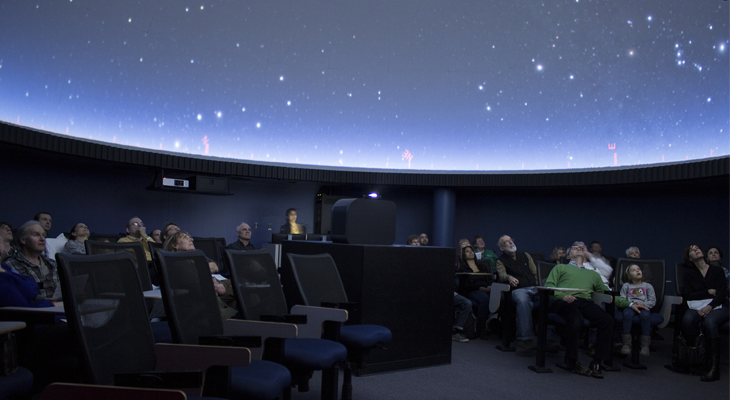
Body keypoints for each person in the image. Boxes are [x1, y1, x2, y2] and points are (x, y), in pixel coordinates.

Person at [545, 243, 630, 378]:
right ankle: (572, 360)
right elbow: (549, 286)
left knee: (607, 320)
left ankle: (597, 362)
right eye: (574, 248)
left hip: (584, 301)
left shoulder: (593, 274)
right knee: (576, 319)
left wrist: (630, 304)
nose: (578, 249)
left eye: (581, 248)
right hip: (564, 301)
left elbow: (607, 294)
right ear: (568, 256)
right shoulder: (560, 267)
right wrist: (563, 296)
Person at [680, 244, 728, 382]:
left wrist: (710, 306)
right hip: (698, 305)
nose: (696, 250)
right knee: (688, 319)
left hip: (719, 305)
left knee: (710, 322)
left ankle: (714, 367)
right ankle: (696, 359)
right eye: (692, 250)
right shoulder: (690, 274)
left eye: (697, 248)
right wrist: (707, 292)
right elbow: (688, 295)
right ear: (689, 258)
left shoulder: (717, 270)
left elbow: (721, 294)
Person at [163, 231, 237, 320]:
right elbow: (203, 289)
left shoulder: (194, 262)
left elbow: (215, 281)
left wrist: (218, 286)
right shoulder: (178, 265)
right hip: (204, 313)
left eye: (190, 237)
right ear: (175, 245)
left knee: (239, 294)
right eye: (184, 237)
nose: (191, 239)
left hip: (215, 305)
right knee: (242, 300)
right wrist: (215, 285)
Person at [495, 235, 540, 353]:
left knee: (550, 300)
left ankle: (548, 340)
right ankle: (525, 341)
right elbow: (502, 275)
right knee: (523, 301)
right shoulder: (500, 261)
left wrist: (538, 285)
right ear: (501, 248)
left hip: (534, 288)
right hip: (519, 290)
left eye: (511, 240)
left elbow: (535, 272)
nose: (511, 243)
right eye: (507, 242)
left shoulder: (525, 255)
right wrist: (509, 277)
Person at [3, 221, 61, 301]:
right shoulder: (10, 266)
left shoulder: (52, 263)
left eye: (43, 235)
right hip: (32, 307)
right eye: (36, 235)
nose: (42, 239)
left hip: (60, 306)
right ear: (23, 240)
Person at [618, 264, 655, 356]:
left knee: (645, 315)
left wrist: (643, 304)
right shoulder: (626, 286)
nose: (637, 271)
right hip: (630, 306)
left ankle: (645, 345)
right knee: (627, 314)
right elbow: (622, 299)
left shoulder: (648, 286)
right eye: (633, 270)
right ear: (629, 276)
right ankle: (626, 344)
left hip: (643, 306)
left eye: (638, 269)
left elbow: (652, 301)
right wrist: (631, 304)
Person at [457, 245, 492, 340]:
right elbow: (464, 285)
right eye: (467, 251)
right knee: (485, 299)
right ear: (464, 256)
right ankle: (481, 328)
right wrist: (479, 288)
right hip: (472, 291)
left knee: (500, 298)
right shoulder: (463, 269)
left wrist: (490, 286)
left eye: (471, 250)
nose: (470, 252)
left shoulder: (482, 266)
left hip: (487, 289)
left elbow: (490, 278)